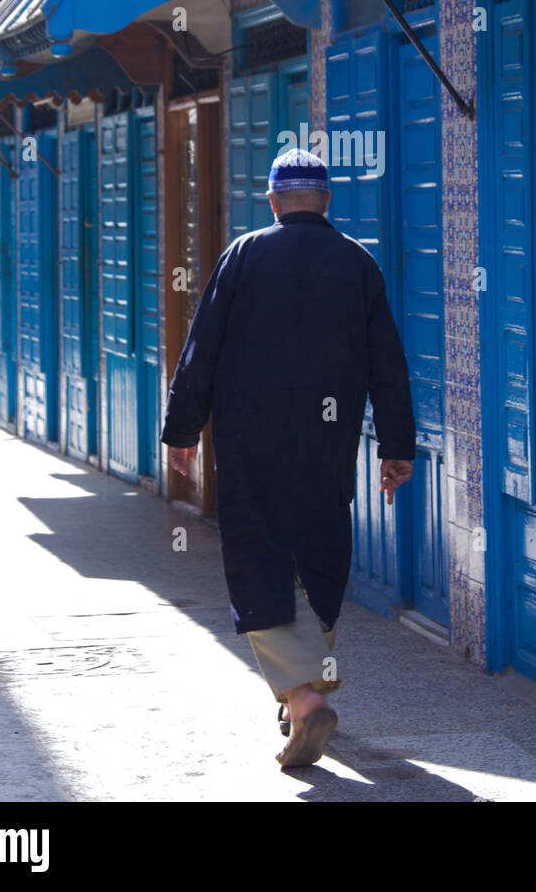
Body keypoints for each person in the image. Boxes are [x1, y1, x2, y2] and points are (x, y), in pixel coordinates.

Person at [161, 147, 416, 768]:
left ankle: (302, 699)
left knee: (257, 553)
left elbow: (203, 348)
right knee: (320, 549)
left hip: (251, 440)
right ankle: (309, 685)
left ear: (272, 202)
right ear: (326, 202)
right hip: (328, 439)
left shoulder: (244, 254)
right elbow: (388, 365)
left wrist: (182, 430)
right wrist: (398, 447)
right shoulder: (358, 263)